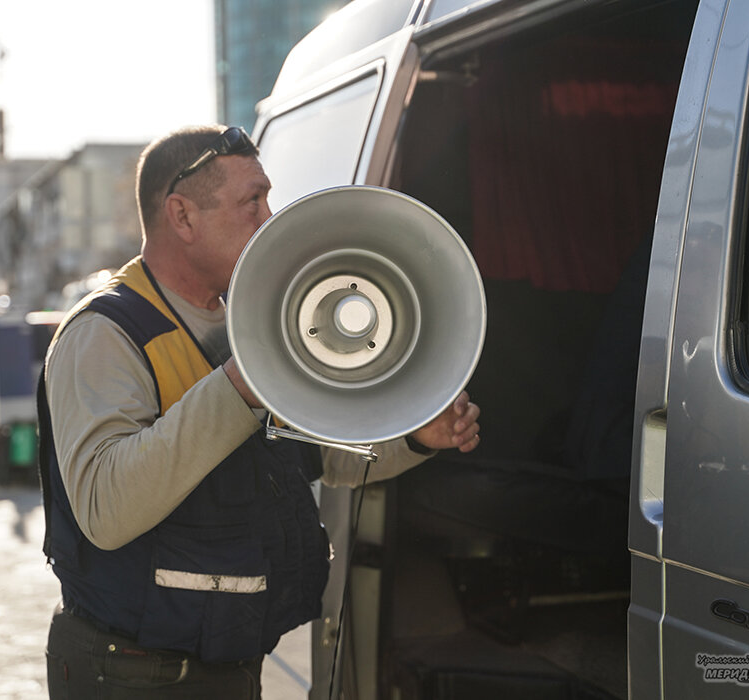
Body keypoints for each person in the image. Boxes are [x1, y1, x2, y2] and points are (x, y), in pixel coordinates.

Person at [38, 125, 481, 699]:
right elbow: (105, 510)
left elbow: (319, 459)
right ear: (182, 216)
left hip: (227, 665)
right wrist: (238, 388)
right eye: (252, 201)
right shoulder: (107, 332)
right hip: (134, 673)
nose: (269, 217)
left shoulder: (250, 325)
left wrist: (417, 438)